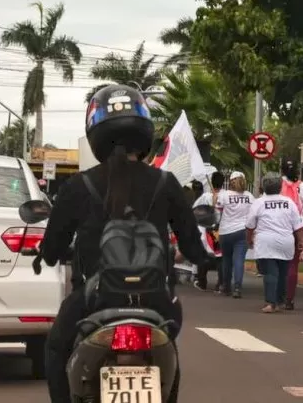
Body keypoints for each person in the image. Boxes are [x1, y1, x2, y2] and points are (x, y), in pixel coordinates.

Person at [37, 84, 204, 403]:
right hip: (156, 300)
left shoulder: (78, 186)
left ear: (95, 130)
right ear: (144, 129)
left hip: (93, 301)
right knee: (169, 350)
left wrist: (52, 253)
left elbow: (52, 251)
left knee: (56, 348)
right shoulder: (166, 183)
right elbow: (194, 248)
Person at [246, 173, 303, 313]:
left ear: (263, 187)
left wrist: (248, 239)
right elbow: (298, 226)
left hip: (265, 241)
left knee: (270, 273)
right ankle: (280, 300)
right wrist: (301, 241)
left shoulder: (259, 202)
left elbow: (250, 225)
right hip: (286, 242)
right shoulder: (289, 202)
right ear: (280, 187)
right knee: (283, 273)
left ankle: (270, 302)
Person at [280, 159, 303, 310]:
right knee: (293, 265)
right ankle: (289, 299)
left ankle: (277, 295)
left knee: (280, 263)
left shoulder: (278, 185)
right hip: (300, 227)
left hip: (281, 226)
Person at [216, 171, 253, 298]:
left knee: (226, 259)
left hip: (225, 232)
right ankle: (237, 287)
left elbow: (217, 211)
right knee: (239, 260)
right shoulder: (249, 196)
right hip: (243, 231)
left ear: (231, 181)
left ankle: (226, 286)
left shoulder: (224, 195)